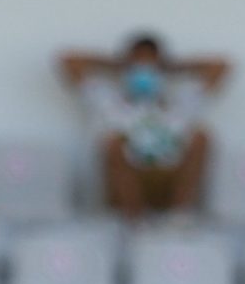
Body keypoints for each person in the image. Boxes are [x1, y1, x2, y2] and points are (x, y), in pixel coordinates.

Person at [58, 33, 230, 220]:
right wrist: (120, 64)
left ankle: (178, 217)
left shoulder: (181, 105)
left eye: (151, 67)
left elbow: (220, 66)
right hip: (125, 188)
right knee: (111, 143)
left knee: (201, 137)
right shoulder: (109, 104)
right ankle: (135, 223)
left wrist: (170, 67)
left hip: (168, 181)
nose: (144, 72)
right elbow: (69, 61)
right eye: (138, 67)